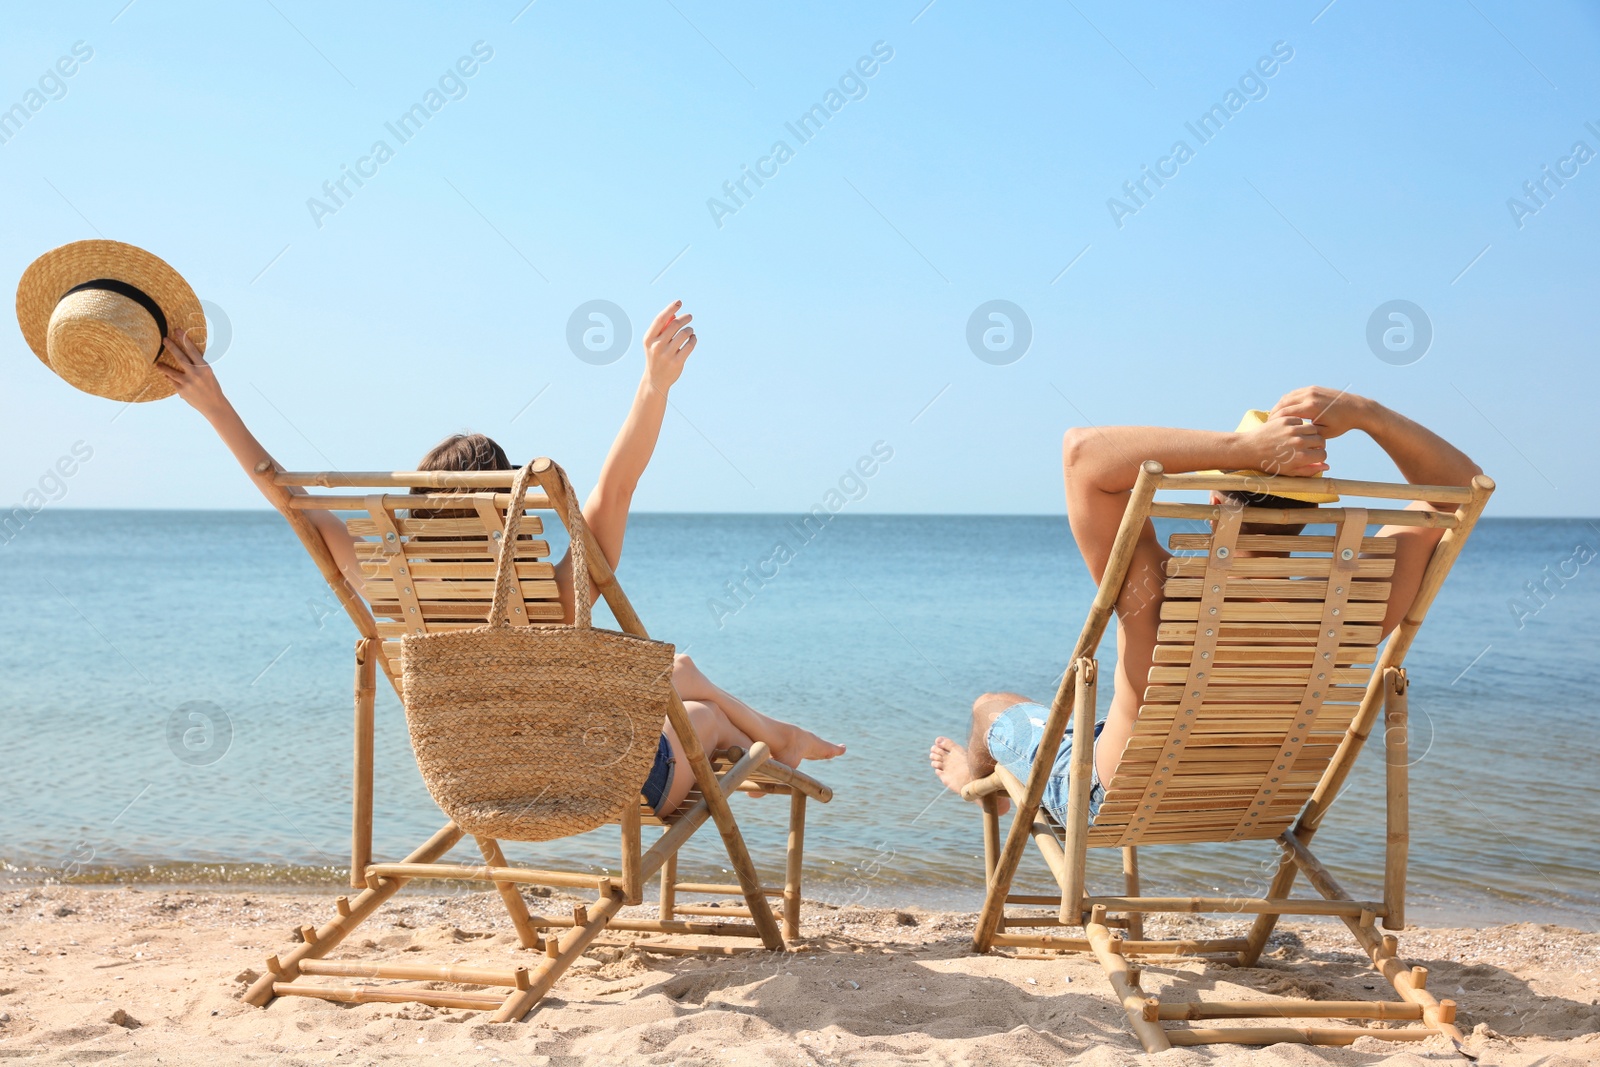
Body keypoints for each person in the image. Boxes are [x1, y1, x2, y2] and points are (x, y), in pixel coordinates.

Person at [158, 300, 843, 818]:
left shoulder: (398, 588)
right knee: (710, 722)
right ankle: (774, 738)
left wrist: (213, 405)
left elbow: (289, 497)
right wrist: (653, 385)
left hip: (466, 777)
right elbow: (618, 485)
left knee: (680, 670)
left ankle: (779, 736)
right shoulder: (549, 601)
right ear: (504, 522)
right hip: (592, 781)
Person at [930, 387, 1481, 819]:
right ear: (1310, 513)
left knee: (993, 707)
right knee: (1085, 731)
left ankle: (982, 790)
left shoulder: (1159, 589)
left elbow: (1083, 453)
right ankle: (1012, 778)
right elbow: (1463, 487)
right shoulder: (1353, 605)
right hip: (1254, 805)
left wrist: (1244, 450)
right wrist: (1367, 413)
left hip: (1118, 800)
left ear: (1215, 497)